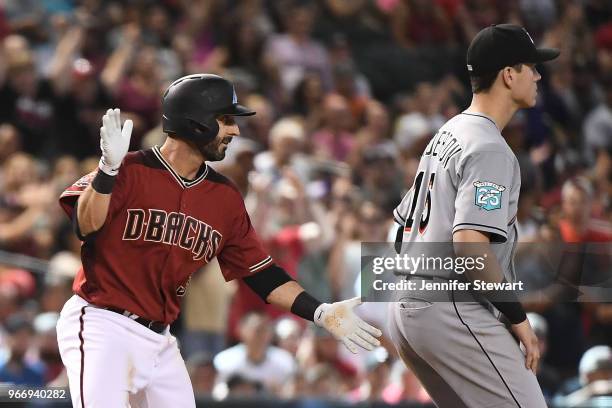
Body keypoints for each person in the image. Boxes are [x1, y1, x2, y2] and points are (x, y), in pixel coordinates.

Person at [55, 73, 381, 408]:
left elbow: (261, 273)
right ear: (196, 120)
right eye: (226, 120)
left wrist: (320, 312)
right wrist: (108, 171)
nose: (235, 131)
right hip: (102, 323)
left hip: (160, 338)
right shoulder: (129, 169)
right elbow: (85, 224)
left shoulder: (224, 197)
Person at [388, 24, 559, 407]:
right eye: (530, 66)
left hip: (409, 306)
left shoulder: (447, 132)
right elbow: (469, 245)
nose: (538, 75)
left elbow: (400, 232)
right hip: (451, 307)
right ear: (508, 75)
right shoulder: (490, 148)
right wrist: (518, 318)